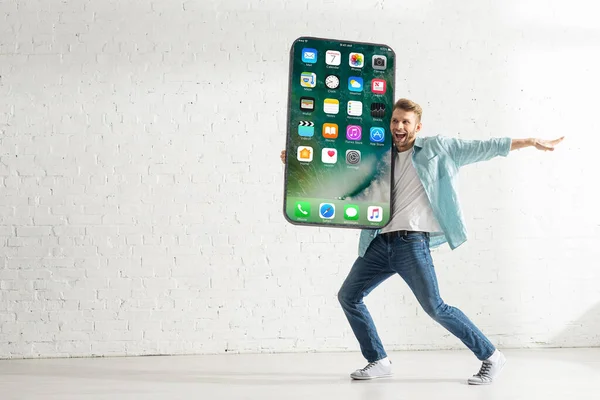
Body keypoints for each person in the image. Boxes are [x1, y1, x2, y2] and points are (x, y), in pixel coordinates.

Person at [280, 98, 564, 384]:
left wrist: (529, 141)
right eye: (394, 121)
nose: (399, 126)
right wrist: (297, 163)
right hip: (379, 242)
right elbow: (344, 176)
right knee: (348, 296)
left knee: (435, 307)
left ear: (417, 126)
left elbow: (483, 147)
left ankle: (491, 356)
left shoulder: (437, 148)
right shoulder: (378, 155)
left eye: (405, 122)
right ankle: (378, 359)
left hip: (411, 244)